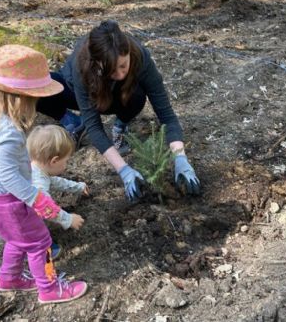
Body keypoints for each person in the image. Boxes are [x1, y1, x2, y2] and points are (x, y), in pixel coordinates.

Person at [0, 44, 87, 304]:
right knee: (40, 243)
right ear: (21, 97)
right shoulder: (8, 132)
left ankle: (9, 278)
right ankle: (49, 288)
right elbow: (9, 177)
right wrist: (36, 199)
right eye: (35, 98)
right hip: (9, 203)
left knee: (18, 238)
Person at [37, 20, 201, 201]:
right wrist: (124, 170)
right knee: (37, 85)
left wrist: (180, 158)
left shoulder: (140, 58)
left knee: (137, 96)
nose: (121, 74)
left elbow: (167, 115)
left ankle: (120, 126)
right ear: (97, 64)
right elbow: (95, 127)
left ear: (129, 53)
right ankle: (71, 121)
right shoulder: (82, 65)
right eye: (112, 71)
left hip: (121, 98)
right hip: (80, 93)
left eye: (123, 66)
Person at [27, 125, 88, 254]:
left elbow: (56, 182)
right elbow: (45, 208)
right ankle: (43, 250)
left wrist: (78, 187)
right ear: (54, 161)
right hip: (12, 222)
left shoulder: (34, 167)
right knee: (32, 224)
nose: (66, 165)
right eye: (66, 161)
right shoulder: (39, 184)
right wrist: (68, 219)